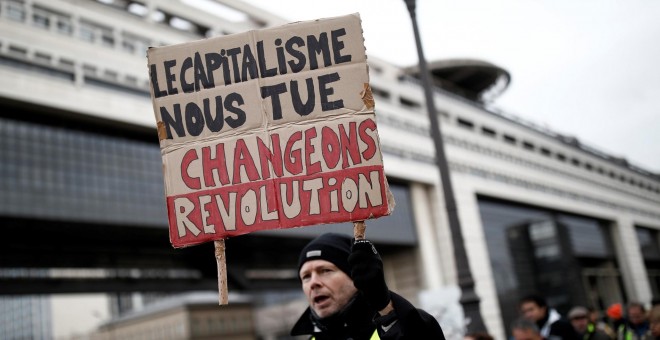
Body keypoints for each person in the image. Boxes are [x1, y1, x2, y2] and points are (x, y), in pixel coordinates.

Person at [290, 233, 445, 339]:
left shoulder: (403, 326)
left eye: (325, 271)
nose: (313, 283)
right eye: (306, 276)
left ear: (356, 276)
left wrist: (387, 309)